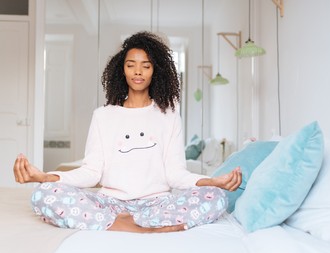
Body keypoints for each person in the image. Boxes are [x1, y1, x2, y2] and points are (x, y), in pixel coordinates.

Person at [13, 31, 242, 233]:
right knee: (43, 194)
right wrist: (44, 177)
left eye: (146, 65)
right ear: (121, 69)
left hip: (157, 204)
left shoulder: (169, 116)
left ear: (156, 71)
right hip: (110, 203)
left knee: (216, 197)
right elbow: (91, 172)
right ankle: (129, 225)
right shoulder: (103, 115)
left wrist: (213, 182)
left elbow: (176, 175)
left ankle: (130, 222)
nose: (138, 71)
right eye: (131, 64)